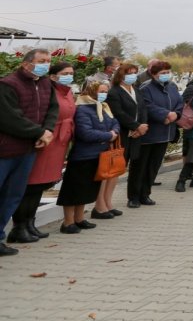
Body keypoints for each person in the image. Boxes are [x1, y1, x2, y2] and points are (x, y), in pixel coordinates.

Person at [0, 49, 60, 256]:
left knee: (13, 195)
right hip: (6, 150)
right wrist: (39, 132)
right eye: (41, 61)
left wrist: (48, 130)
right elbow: (9, 118)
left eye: (48, 61)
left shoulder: (45, 84)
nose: (46, 64)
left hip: (28, 150)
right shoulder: (8, 84)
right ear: (26, 64)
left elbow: (52, 109)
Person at [9, 61, 76, 244]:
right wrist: (44, 133)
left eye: (71, 72)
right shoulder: (48, 90)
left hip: (58, 142)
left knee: (41, 185)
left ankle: (30, 223)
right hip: (45, 140)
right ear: (54, 75)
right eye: (65, 73)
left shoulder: (67, 91)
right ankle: (19, 226)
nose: (69, 76)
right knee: (31, 184)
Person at [58, 78, 119, 233]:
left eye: (106, 92)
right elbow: (85, 132)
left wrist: (113, 132)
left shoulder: (103, 107)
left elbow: (114, 122)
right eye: (101, 92)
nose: (104, 95)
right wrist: (108, 135)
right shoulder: (83, 109)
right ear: (91, 91)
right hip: (83, 156)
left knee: (87, 189)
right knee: (74, 190)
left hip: (99, 154)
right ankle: (68, 222)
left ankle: (79, 219)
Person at [129, 61, 182, 208]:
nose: (166, 75)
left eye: (167, 72)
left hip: (166, 133)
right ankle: (133, 196)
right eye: (162, 73)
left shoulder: (172, 87)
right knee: (140, 166)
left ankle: (145, 194)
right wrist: (165, 114)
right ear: (153, 74)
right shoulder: (146, 87)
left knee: (153, 166)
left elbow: (179, 103)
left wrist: (176, 114)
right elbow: (146, 105)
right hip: (149, 134)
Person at [107, 63, 146, 208]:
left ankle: (133, 197)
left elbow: (142, 108)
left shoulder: (136, 90)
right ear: (121, 75)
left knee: (137, 167)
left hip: (137, 135)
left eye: (135, 72)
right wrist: (135, 126)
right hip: (122, 135)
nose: (133, 75)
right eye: (129, 73)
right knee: (117, 168)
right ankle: (106, 202)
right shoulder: (114, 92)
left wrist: (142, 126)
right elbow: (118, 113)